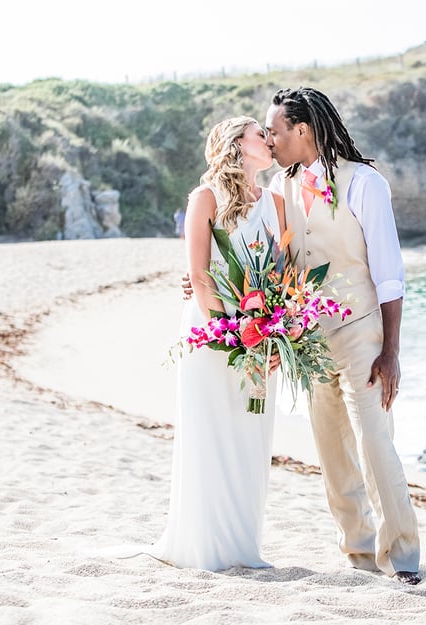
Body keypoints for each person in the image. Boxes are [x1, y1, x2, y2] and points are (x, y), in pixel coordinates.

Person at [184, 88, 421, 584]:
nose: (269, 138)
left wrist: (392, 351)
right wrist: (208, 280)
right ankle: (357, 556)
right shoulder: (281, 190)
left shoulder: (364, 183)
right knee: (332, 454)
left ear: (302, 131)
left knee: (376, 445)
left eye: (274, 130)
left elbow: (390, 273)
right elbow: (265, 259)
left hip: (362, 333)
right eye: (263, 132)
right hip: (309, 340)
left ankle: (401, 557)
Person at [151, 116, 286, 571]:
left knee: (250, 436)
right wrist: (230, 338)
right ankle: (206, 546)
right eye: (259, 132)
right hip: (213, 336)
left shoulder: (277, 204)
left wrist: (272, 338)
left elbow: (283, 279)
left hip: (260, 335)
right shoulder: (205, 197)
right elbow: (200, 276)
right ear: (235, 143)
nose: (268, 139)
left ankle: (243, 546)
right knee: (211, 433)